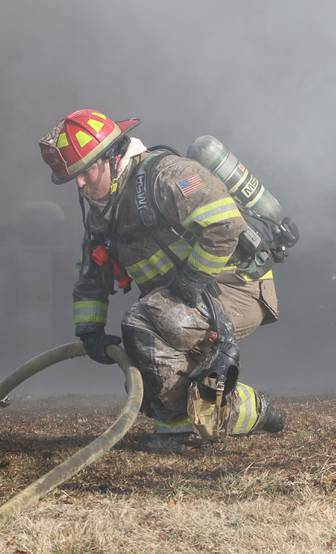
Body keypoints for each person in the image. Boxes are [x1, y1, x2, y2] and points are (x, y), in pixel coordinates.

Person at [39, 109, 285, 439]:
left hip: (235, 288)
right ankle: (247, 409)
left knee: (141, 323)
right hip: (178, 305)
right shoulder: (103, 211)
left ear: (113, 156)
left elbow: (225, 225)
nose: (80, 183)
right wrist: (90, 331)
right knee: (144, 378)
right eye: (74, 177)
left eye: (86, 171)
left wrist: (194, 277)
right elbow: (92, 272)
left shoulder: (166, 176)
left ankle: (177, 431)